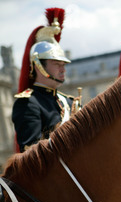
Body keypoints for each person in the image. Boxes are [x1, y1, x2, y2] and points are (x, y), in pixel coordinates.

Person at [12, 8, 79, 153]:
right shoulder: (28, 103)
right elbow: (31, 153)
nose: (63, 69)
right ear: (38, 66)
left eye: (63, 64)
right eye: (56, 64)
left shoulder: (69, 102)